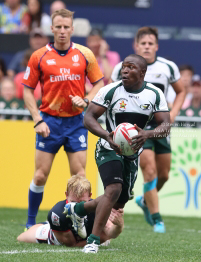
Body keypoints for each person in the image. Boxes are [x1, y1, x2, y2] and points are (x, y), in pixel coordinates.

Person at [64, 54, 171, 253]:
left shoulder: (154, 94)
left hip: (132, 154)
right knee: (112, 190)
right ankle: (93, 242)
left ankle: (78, 210)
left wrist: (147, 134)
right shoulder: (110, 90)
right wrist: (107, 135)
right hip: (108, 148)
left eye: (131, 67)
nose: (124, 70)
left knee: (119, 201)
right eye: (123, 67)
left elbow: (166, 126)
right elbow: (88, 118)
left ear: (142, 72)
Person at [21, 9, 104, 229]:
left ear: (72, 29)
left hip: (76, 123)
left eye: (66, 27)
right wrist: (38, 119)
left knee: (80, 178)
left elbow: (99, 84)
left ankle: (81, 223)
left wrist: (86, 101)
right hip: (49, 122)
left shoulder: (85, 54)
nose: (62, 31)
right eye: (58, 27)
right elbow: (27, 90)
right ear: (52, 28)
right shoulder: (39, 56)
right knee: (40, 176)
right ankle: (30, 222)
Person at [110, 27, 186, 233]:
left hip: (160, 128)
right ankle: (157, 219)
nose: (146, 46)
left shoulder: (167, 67)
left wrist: (173, 113)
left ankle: (144, 200)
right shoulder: (122, 67)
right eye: (143, 43)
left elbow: (181, 91)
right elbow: (111, 93)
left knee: (164, 175)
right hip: (137, 129)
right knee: (150, 171)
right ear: (136, 45)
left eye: (150, 43)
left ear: (157, 46)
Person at [17, 175, 124, 247]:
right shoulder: (58, 213)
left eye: (82, 202)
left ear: (90, 197)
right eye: (73, 202)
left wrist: (118, 226)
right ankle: (48, 225)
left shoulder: (98, 208)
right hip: (58, 235)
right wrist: (99, 239)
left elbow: (111, 233)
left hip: (86, 234)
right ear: (66, 195)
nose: (76, 207)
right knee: (21, 238)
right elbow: (72, 245)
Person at [85, 28, 120, 93]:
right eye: (91, 41)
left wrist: (103, 56)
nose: (94, 44)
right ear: (87, 42)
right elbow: (80, 80)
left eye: (97, 40)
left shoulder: (113, 56)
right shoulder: (83, 57)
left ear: (103, 42)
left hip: (107, 94)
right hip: (89, 94)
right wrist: (93, 93)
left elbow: (109, 76)